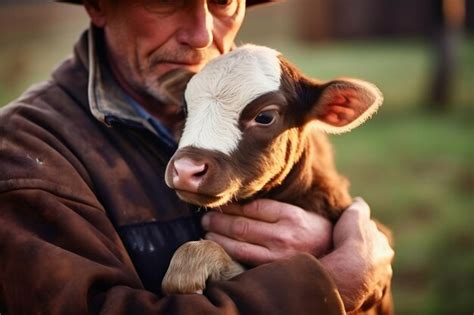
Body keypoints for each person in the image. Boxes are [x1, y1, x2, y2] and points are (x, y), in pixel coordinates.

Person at [0, 0, 394, 314]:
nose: (202, 35)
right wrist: (326, 284)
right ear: (99, 5)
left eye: (223, 1)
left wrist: (338, 243)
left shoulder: (274, 116)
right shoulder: (25, 153)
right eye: (167, 1)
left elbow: (364, 263)